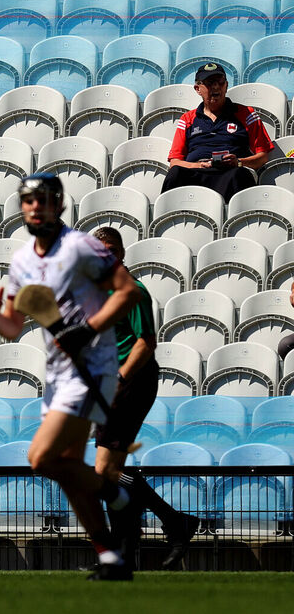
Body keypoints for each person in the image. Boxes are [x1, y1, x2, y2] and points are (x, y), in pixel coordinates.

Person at [0, 173, 145, 581]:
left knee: (41, 459)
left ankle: (119, 494)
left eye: (45, 199)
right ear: (22, 207)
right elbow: (14, 325)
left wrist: (88, 329)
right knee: (69, 467)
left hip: (93, 368)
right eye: (29, 200)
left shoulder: (81, 247)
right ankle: (110, 556)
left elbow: (128, 293)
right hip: (56, 375)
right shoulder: (21, 260)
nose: (37, 207)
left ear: (59, 204)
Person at [90, 226, 200, 571]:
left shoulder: (133, 290)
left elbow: (145, 343)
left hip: (132, 380)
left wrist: (121, 378)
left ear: (120, 254)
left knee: (105, 471)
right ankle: (130, 549)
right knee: (112, 470)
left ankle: (168, 524)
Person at [162, 62, 274, 201]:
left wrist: (238, 162)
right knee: (175, 173)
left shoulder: (247, 113)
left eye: (220, 82)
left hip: (231, 171)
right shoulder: (188, 118)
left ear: (226, 85)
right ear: (198, 88)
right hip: (197, 171)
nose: (216, 87)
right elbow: (175, 162)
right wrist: (197, 165)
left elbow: (262, 157)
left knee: (239, 175)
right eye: (210, 83)